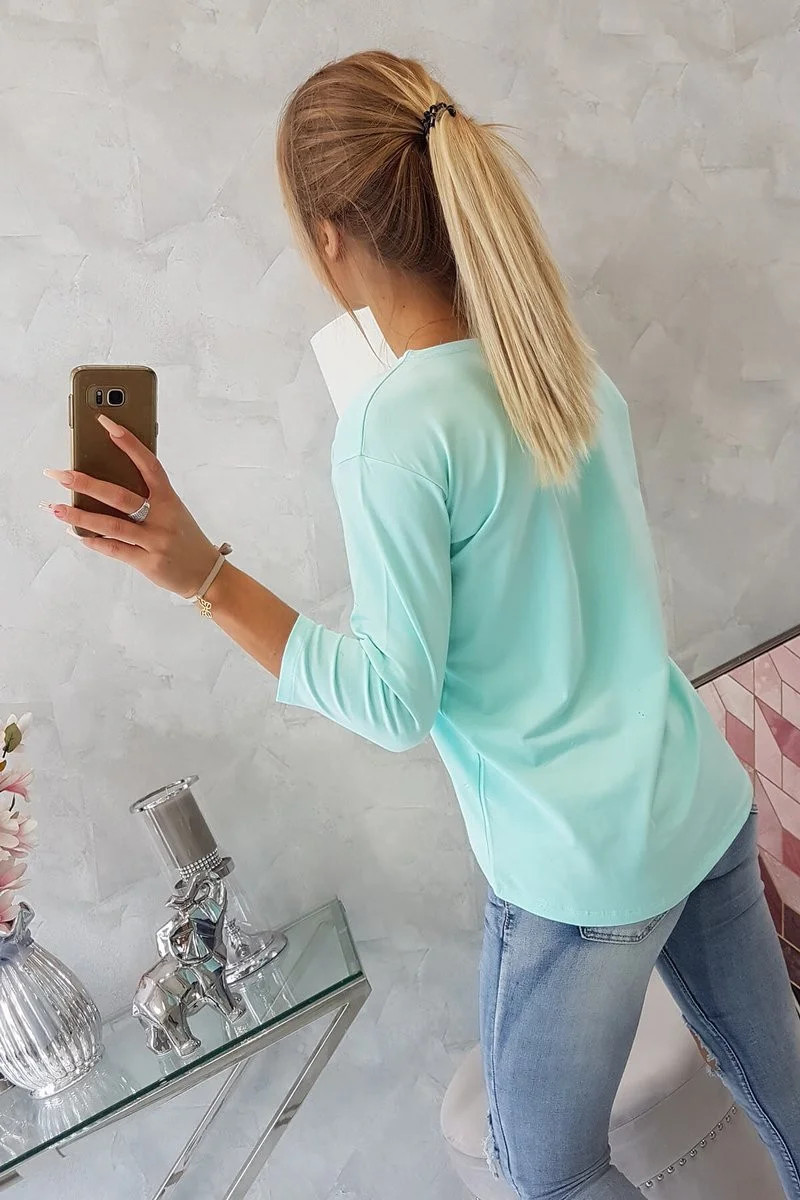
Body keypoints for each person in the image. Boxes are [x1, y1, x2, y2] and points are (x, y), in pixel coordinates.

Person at [43, 50, 800, 1200]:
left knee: (545, 1175)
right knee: (785, 1093)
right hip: (694, 799)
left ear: (328, 237)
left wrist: (205, 580)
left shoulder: (394, 426)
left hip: (580, 873)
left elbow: (394, 700)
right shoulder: (552, 357)